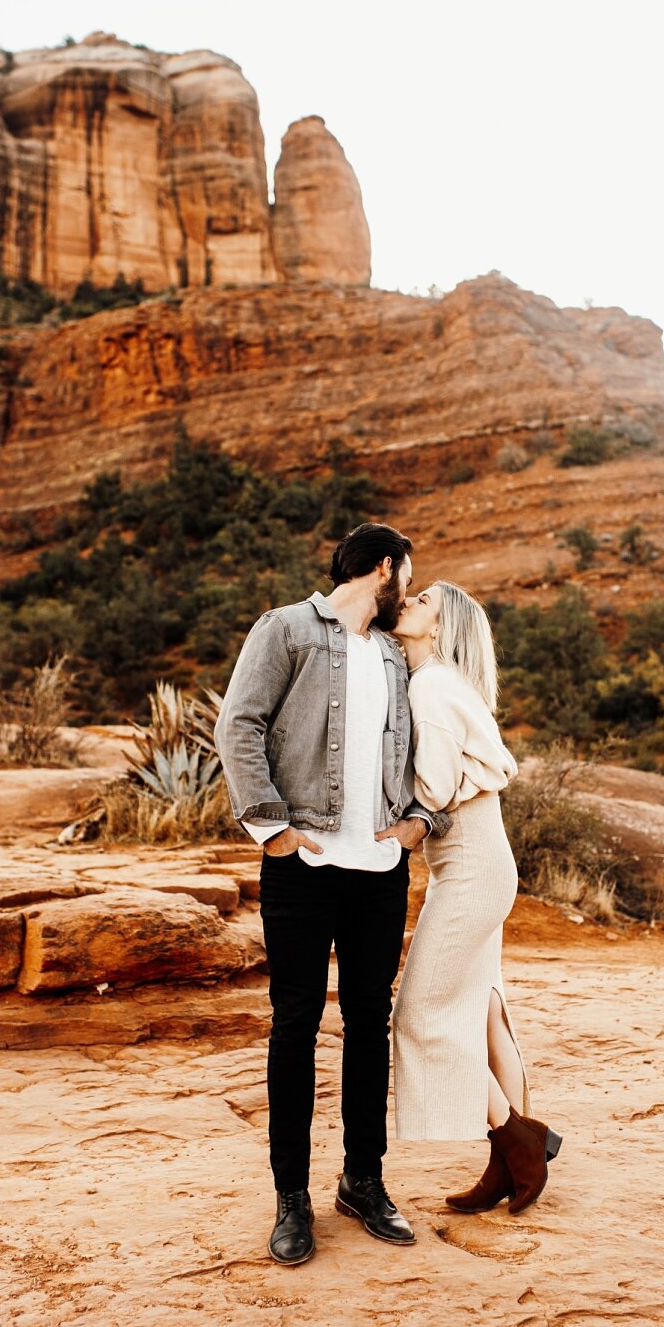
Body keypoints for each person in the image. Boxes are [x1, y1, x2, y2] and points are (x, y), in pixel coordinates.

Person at [217, 522, 451, 1267]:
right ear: (383, 567)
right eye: (406, 576)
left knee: (367, 1023)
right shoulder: (285, 628)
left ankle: (364, 1178)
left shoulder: (393, 653)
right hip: (302, 863)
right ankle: (291, 1196)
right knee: (293, 1023)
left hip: (381, 870)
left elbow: (421, 747)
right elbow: (239, 725)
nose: (409, 591)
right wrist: (273, 829)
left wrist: (420, 820)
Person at [388, 580, 561, 1212]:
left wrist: (390, 815)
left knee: (420, 1012)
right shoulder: (444, 683)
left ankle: (520, 1140)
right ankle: (510, 1164)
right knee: (485, 1013)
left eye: (423, 601)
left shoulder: (430, 685)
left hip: (468, 869)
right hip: (482, 861)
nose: (408, 602)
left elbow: (431, 790)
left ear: (439, 628)